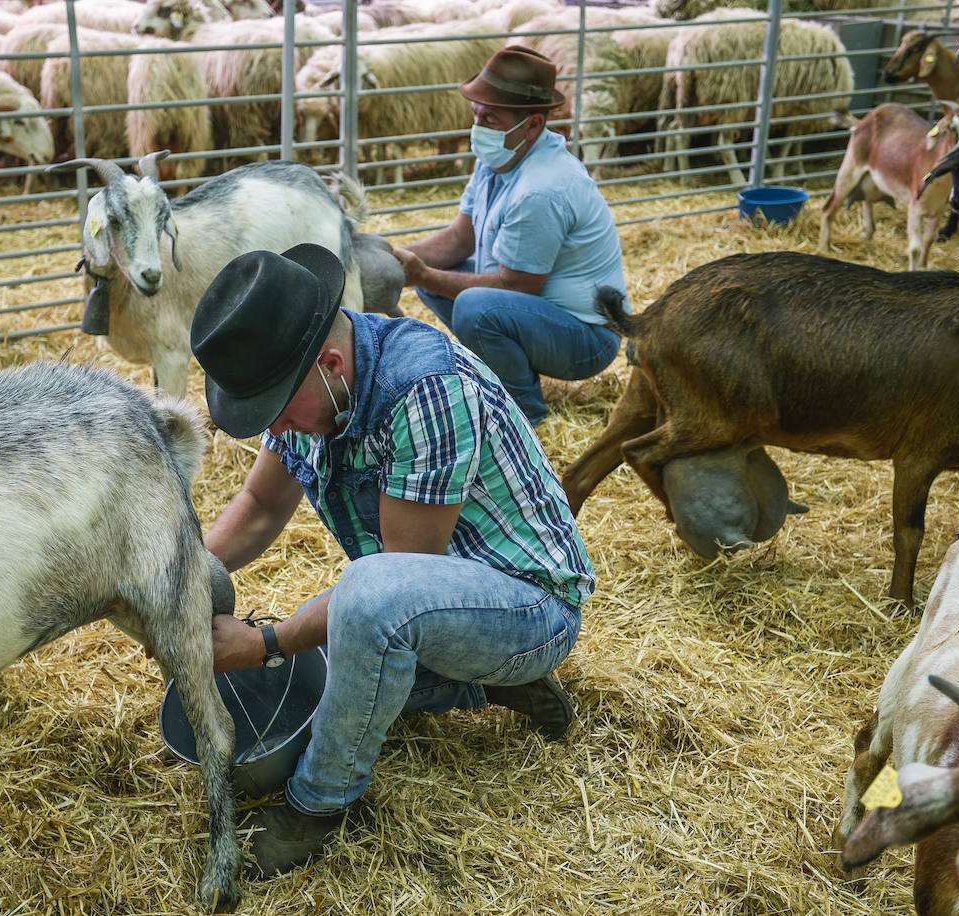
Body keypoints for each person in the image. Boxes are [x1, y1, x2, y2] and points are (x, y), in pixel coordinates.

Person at [190, 242, 596, 878]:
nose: (273, 427)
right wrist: (185, 578)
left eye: (273, 410)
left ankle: (320, 803)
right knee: (335, 660)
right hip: (432, 597)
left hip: (529, 606)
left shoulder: (425, 390)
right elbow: (261, 504)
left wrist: (267, 642)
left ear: (328, 364)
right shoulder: (312, 384)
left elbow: (396, 579)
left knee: (361, 608)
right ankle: (475, 682)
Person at [393, 45, 629, 426]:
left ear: (533, 124)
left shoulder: (541, 189)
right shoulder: (500, 157)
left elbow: (518, 287)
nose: (478, 127)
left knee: (470, 304)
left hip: (586, 337)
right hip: (538, 316)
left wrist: (423, 274)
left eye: (490, 117)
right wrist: (392, 257)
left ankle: (524, 412)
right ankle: (502, 374)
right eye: (476, 115)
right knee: (439, 280)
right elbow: (459, 239)